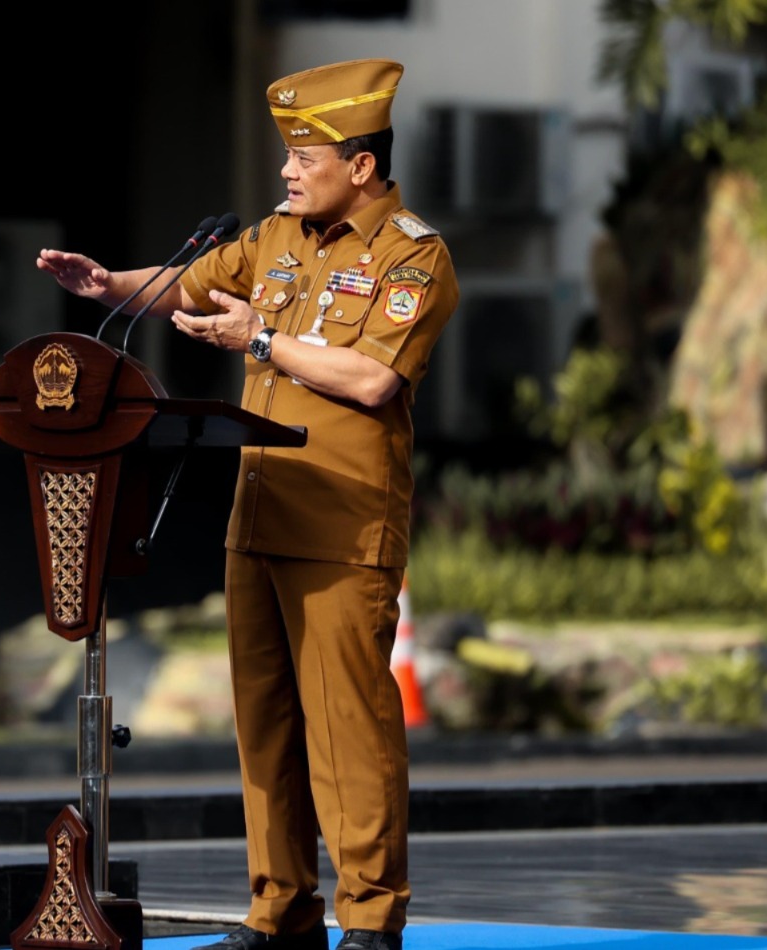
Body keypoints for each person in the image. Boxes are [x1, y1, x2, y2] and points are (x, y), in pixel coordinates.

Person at [35, 58, 459, 950]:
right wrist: (107, 284)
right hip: (257, 519)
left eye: (305, 155)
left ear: (363, 166)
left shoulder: (411, 255)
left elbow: (375, 378)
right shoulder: (274, 239)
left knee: (348, 729)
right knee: (265, 730)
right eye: (289, 156)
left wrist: (260, 337)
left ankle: (372, 922)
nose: (287, 171)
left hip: (343, 525)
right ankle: (282, 911)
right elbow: (190, 283)